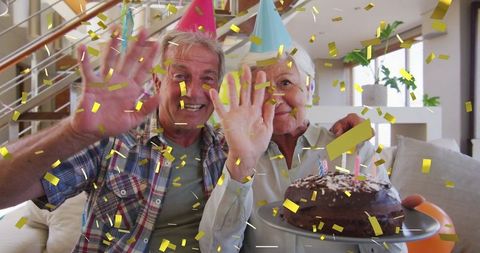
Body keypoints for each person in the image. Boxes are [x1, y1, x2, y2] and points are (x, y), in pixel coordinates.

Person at [0, 1, 363, 252]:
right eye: (180, 76)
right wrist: (75, 131)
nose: (193, 91)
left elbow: (300, 160)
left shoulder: (232, 146)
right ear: (158, 83)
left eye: (207, 78)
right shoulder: (114, 142)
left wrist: (358, 131)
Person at [199, 0, 423, 252]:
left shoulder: (351, 146)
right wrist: (240, 164)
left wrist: (388, 229)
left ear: (310, 88)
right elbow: (214, 247)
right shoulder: (235, 155)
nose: (274, 97)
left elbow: (391, 248)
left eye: (285, 83)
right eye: (262, 88)